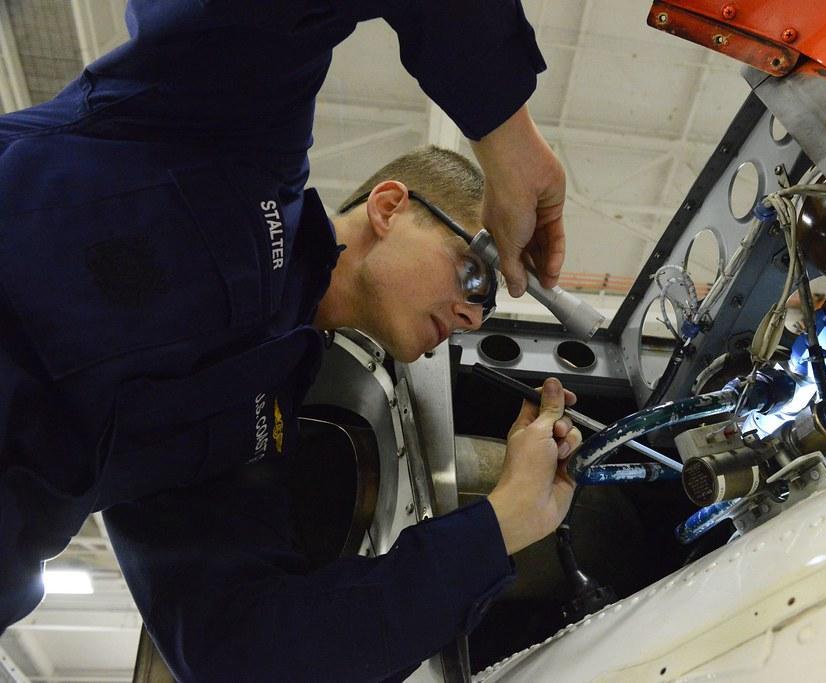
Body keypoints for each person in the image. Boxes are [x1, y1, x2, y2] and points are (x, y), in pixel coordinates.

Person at [0, 0, 575, 678]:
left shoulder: (254, 437)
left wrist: (501, 524)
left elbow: (246, 652)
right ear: (391, 208)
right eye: (475, 274)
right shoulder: (237, 139)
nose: (474, 317)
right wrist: (505, 134)